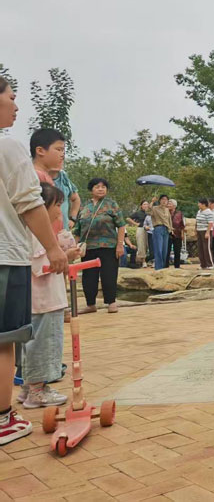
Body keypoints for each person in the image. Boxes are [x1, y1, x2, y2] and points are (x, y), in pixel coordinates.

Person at [0, 76, 68, 445]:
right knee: (4, 341)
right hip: (6, 257)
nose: (16, 105)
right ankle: (3, 418)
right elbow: (29, 203)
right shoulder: (8, 148)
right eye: (11, 97)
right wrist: (53, 248)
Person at [21, 184, 77, 409]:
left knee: (34, 344)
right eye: (57, 205)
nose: (59, 210)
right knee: (44, 344)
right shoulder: (37, 235)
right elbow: (40, 266)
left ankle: (29, 387)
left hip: (43, 300)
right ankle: (38, 390)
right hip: (44, 301)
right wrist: (65, 256)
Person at [73, 178, 126, 313]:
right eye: (97, 187)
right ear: (91, 190)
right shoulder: (84, 207)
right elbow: (78, 229)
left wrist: (120, 245)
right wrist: (75, 247)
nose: (101, 189)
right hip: (89, 248)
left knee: (109, 275)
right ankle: (90, 304)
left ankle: (111, 302)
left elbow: (121, 225)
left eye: (103, 187)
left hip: (108, 246)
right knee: (88, 277)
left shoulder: (111, 204)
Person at [149, 194, 172, 272]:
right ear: (160, 200)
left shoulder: (167, 210)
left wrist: (171, 229)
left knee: (164, 250)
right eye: (163, 199)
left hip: (166, 230)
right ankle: (158, 268)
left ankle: (163, 268)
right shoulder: (155, 208)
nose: (164, 201)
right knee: (158, 249)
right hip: (158, 228)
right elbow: (148, 211)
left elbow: (169, 220)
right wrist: (152, 202)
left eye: (166, 199)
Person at [127, 201, 151, 268]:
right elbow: (128, 218)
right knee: (141, 245)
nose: (146, 205)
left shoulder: (150, 212)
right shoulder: (138, 213)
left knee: (148, 245)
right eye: (144, 204)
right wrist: (135, 224)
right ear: (141, 206)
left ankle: (148, 260)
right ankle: (143, 261)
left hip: (150, 230)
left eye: (147, 204)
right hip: (141, 229)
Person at [194, 199, 214, 270]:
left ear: (203, 204)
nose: (198, 205)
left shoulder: (208, 212)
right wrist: (195, 229)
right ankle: (203, 264)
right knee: (200, 248)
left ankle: (210, 264)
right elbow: (197, 221)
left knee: (206, 248)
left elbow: (210, 223)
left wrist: (208, 232)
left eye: (199, 203)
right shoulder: (199, 211)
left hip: (205, 230)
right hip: (199, 230)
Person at [166, 199, 184, 269]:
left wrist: (182, 234)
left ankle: (177, 266)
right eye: (168, 203)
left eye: (170, 203)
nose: (168, 205)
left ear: (174, 205)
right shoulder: (165, 212)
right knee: (167, 250)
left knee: (177, 250)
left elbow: (182, 224)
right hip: (167, 233)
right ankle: (166, 265)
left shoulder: (179, 213)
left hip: (177, 233)